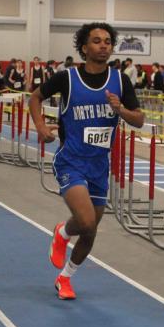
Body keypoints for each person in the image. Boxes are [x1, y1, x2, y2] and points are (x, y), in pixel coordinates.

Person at [28, 22, 144, 300]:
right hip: (71, 161)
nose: (103, 45)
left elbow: (139, 120)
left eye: (107, 41)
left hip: (99, 166)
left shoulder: (120, 80)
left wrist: (120, 109)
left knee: (89, 232)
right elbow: (35, 98)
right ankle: (64, 233)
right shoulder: (67, 78)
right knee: (88, 222)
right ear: (84, 47)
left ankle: (65, 276)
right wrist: (40, 126)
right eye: (96, 41)